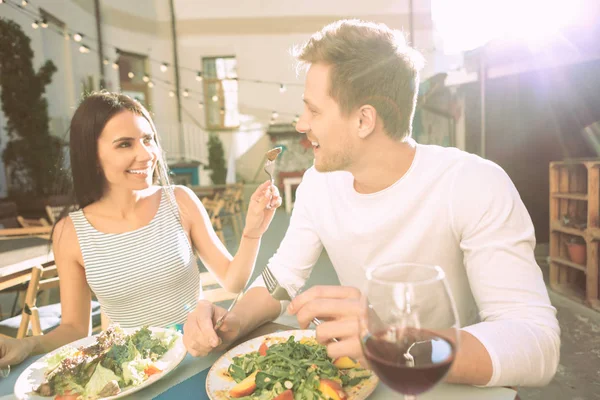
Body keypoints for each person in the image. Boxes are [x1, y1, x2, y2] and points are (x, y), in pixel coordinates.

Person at [182, 20, 560, 388]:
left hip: (446, 384)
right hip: (364, 382)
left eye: (313, 111)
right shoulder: (318, 183)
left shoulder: (473, 183)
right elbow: (282, 280)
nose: (301, 124)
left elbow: (536, 342)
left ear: (364, 120)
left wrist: (397, 346)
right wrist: (228, 324)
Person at [0, 91, 281, 368]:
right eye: (125, 144)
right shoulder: (70, 233)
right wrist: (28, 343)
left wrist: (252, 232)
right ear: (91, 155)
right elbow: (74, 330)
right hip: (135, 374)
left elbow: (232, 281)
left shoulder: (179, 201)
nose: (146, 154)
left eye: (148, 140)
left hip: (198, 356)